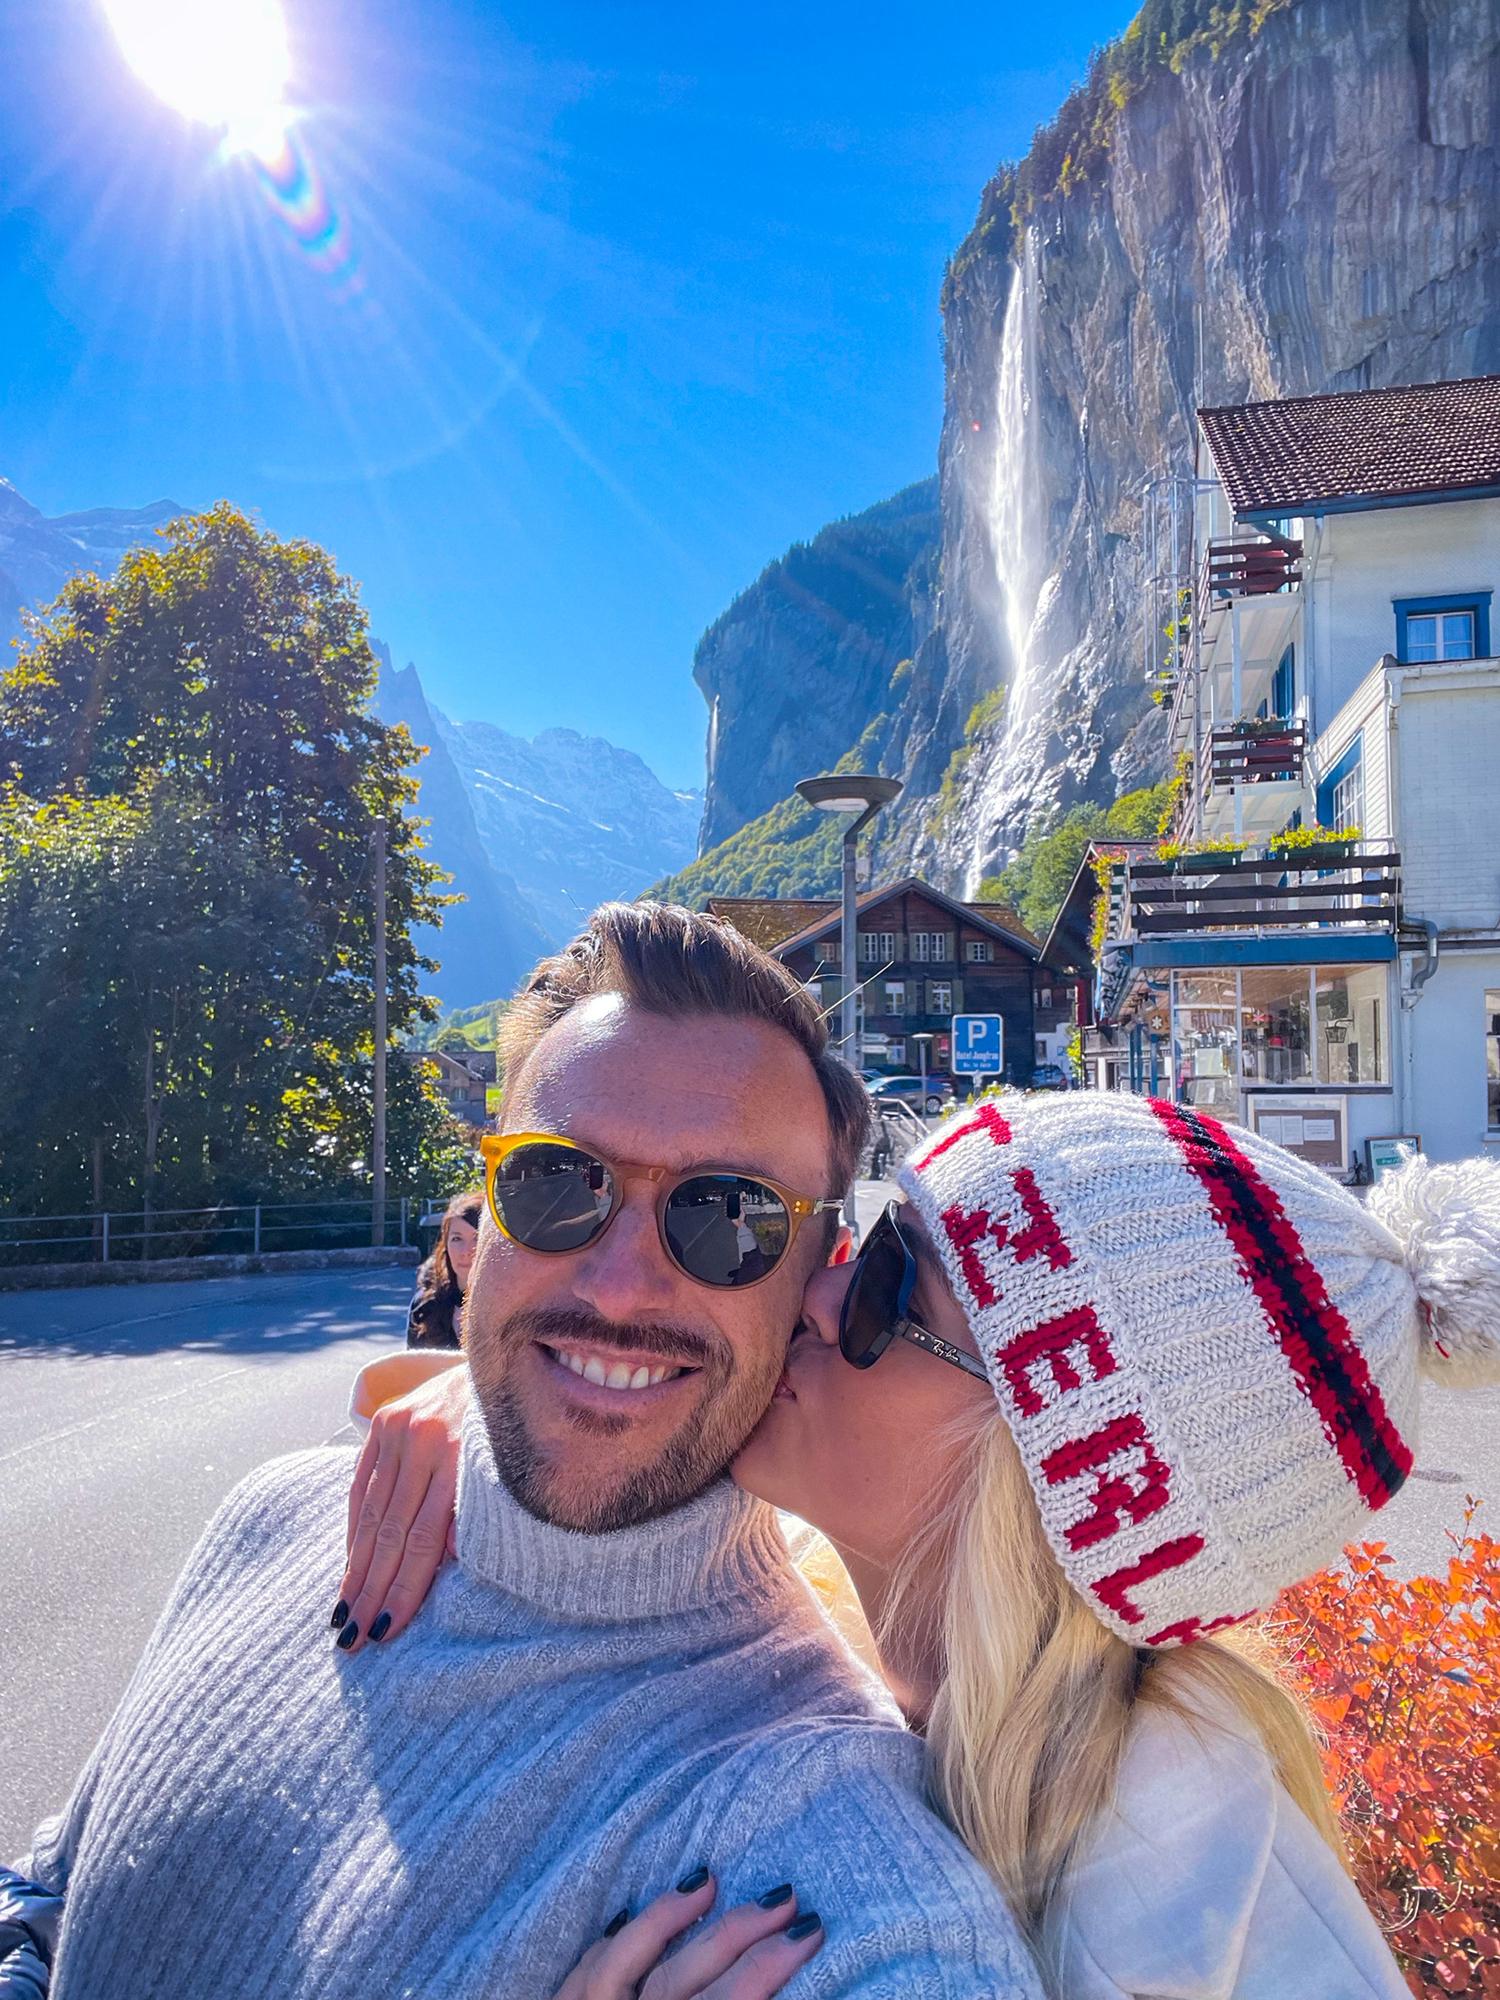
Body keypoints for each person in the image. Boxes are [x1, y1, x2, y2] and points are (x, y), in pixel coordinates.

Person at [15, 904, 1043, 2000]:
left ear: (816, 1275)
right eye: (558, 1182)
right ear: (478, 1221)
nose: (617, 1287)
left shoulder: (816, 1837)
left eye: (728, 1216)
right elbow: (46, 1904)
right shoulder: (275, 1516)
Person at [334, 1090, 1500, 1998]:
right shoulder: (944, 1683)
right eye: (865, 1239)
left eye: (894, 1284)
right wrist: (500, 1402)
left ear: (1053, 1478)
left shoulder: (1176, 1915)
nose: (821, 1294)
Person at [406, 1188, 482, 1348]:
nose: (466, 1252)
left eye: (477, 1238)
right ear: (445, 1244)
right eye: (456, 1239)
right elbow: (411, 1368)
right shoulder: (426, 1305)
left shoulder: (512, 1306)